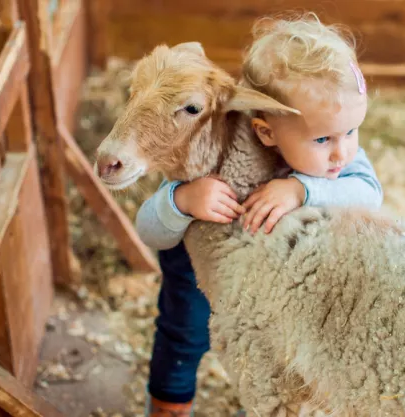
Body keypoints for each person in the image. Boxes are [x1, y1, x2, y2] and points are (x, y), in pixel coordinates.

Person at [136, 12, 384, 416]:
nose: (343, 152)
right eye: (323, 138)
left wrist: (303, 188)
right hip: (200, 280)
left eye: (353, 131)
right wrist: (182, 200)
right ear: (265, 131)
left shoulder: (335, 165)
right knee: (182, 337)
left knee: (278, 350)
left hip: (276, 287)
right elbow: (149, 229)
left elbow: (369, 195)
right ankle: (168, 404)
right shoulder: (214, 153)